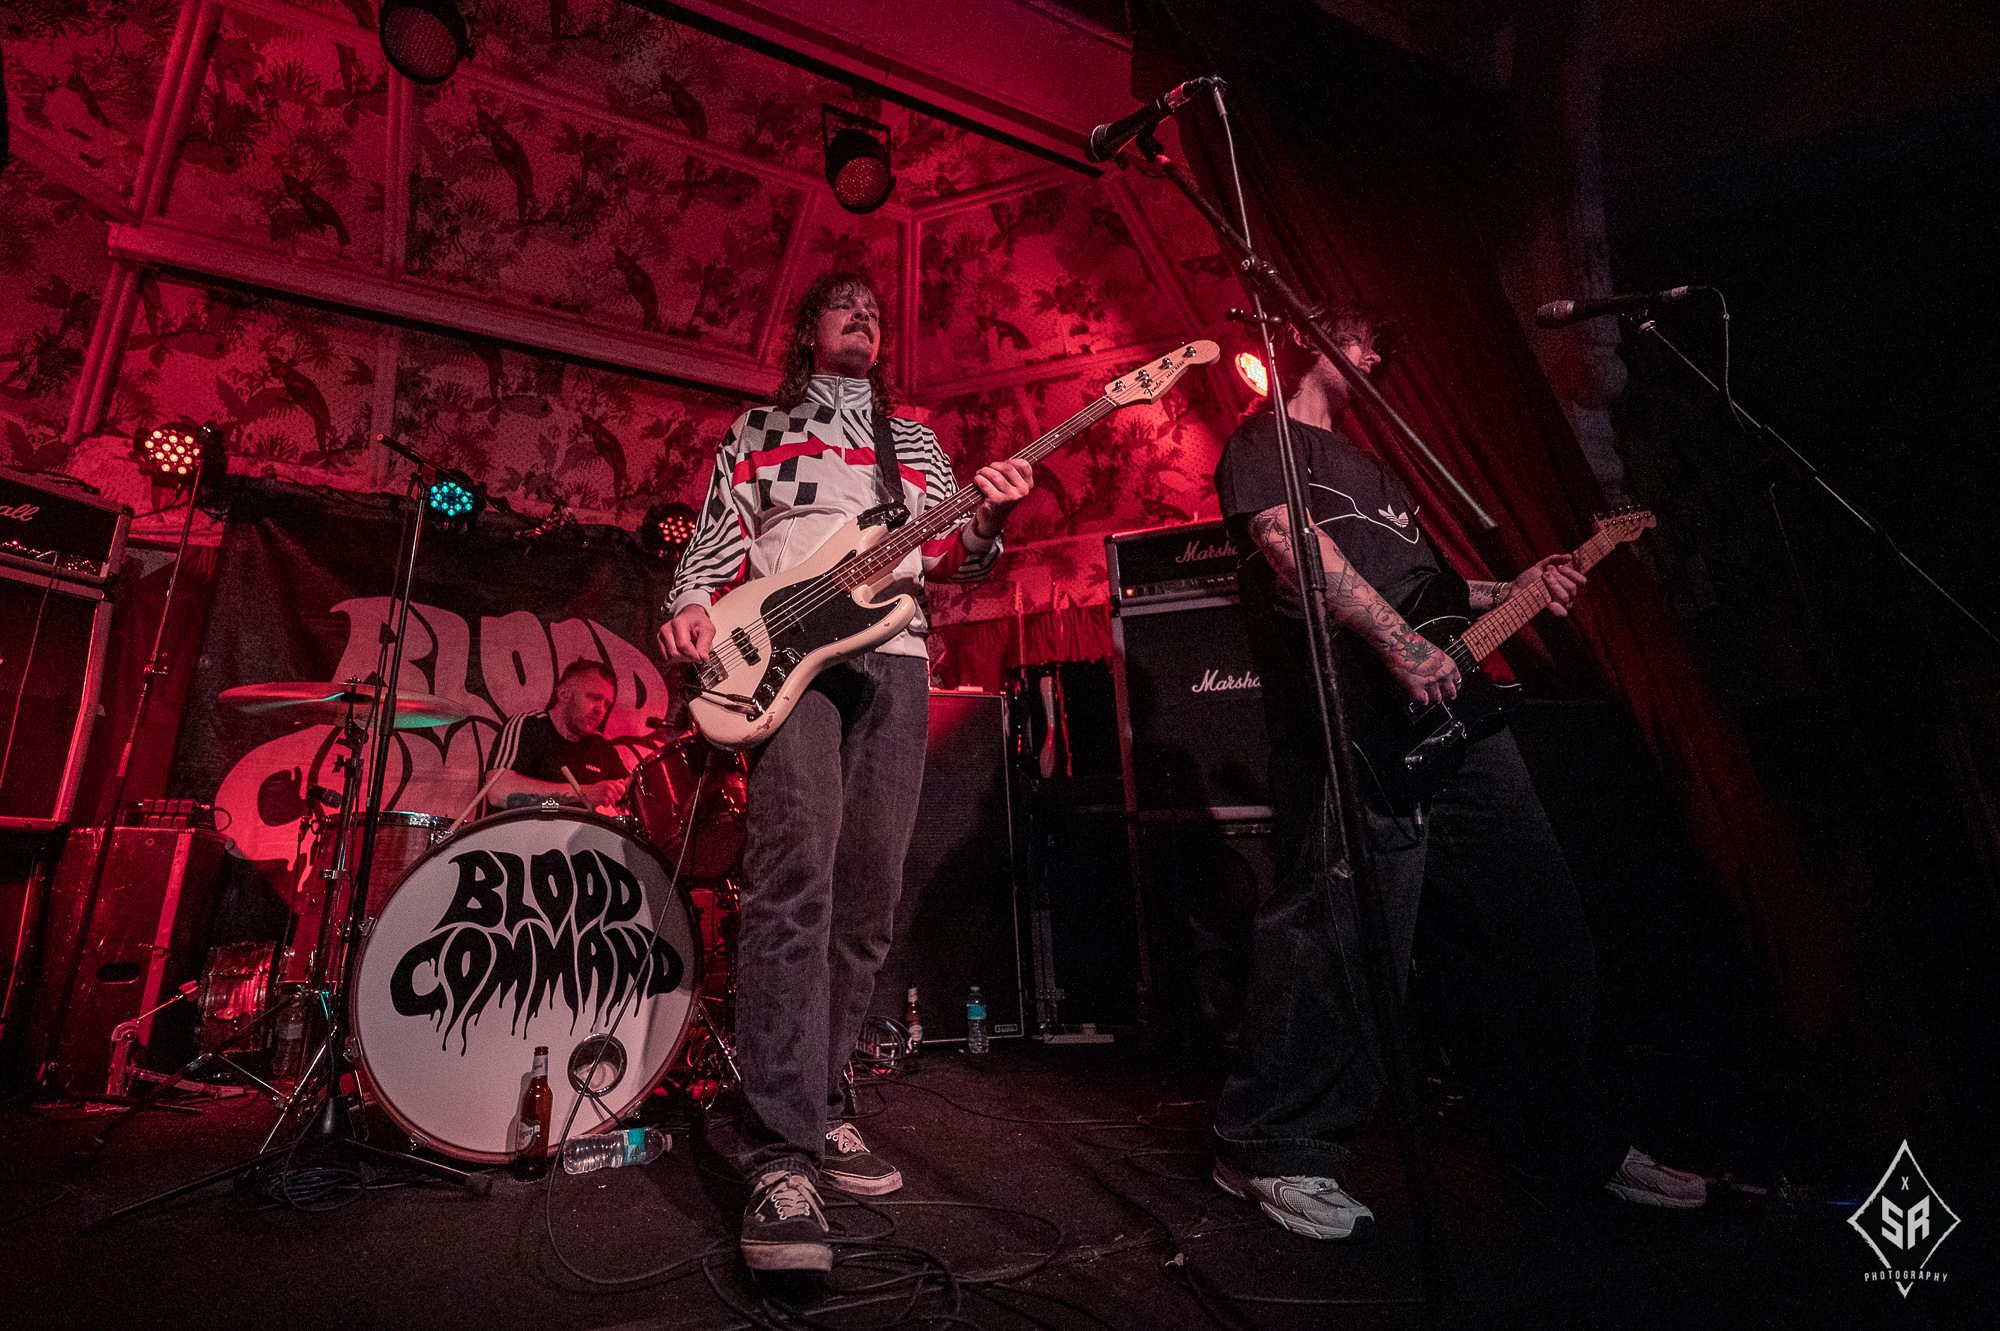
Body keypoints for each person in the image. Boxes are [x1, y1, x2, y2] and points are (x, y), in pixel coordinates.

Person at [1209, 311, 1705, 1241]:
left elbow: (1432, 591)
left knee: (1540, 918)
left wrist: (1515, 587)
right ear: (1310, 338)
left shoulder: (1384, 473)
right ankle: (1272, 1146)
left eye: (1378, 348)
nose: (1373, 357)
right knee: (1343, 930)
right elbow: (1290, 547)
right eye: (1360, 340)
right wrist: (1399, 648)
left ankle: (1569, 1143)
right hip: (1350, 716)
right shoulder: (1263, 441)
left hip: (1452, 713)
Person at [658, 269, 1033, 1272]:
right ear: (806, 329)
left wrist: (987, 521)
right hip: (791, 669)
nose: (864, 316)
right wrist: (687, 608)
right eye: (844, 306)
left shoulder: (914, 444)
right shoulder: (759, 428)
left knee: (866, 901)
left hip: (898, 661)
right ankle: (779, 1154)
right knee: (794, 888)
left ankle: (820, 1103)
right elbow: (711, 547)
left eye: (874, 311)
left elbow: (953, 558)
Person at [486, 659, 629, 812]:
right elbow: (498, 791)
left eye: (607, 704)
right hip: (522, 827)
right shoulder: (529, 726)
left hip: (579, 828)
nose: (600, 709)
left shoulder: (601, 746)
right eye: (594, 697)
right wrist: (583, 794)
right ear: (563, 693)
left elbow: (634, 796)